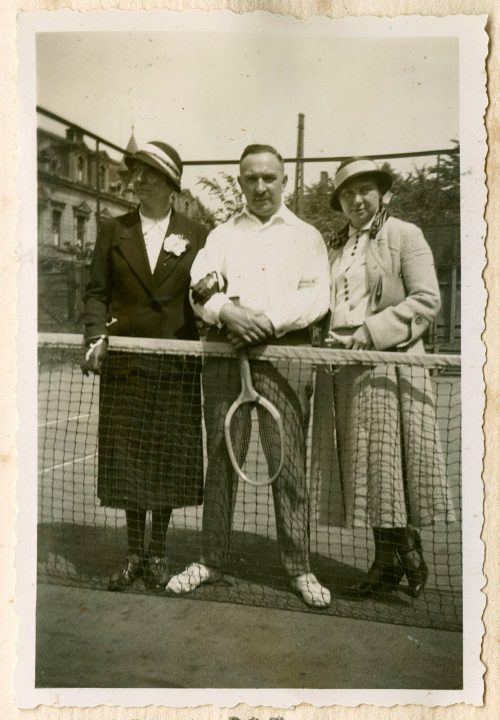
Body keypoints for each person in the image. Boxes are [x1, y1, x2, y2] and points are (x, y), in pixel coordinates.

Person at [166, 144, 331, 608]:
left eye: (269, 178)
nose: (260, 186)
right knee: (221, 464)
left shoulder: (308, 237)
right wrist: (226, 313)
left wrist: (263, 324)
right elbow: (200, 286)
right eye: (250, 178)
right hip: (225, 359)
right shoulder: (220, 237)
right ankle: (211, 560)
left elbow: (316, 299)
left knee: (289, 469)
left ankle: (299, 568)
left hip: (285, 359)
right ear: (240, 183)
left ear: (284, 181)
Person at [319, 156, 456, 597]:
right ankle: (390, 558)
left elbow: (426, 300)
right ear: (339, 201)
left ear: (383, 194)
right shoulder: (337, 245)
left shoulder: (404, 234)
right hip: (344, 370)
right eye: (347, 193)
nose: (356, 199)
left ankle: (401, 555)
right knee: (370, 471)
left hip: (388, 368)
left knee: (386, 465)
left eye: (365, 190)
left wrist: (371, 331)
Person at [82, 140, 208, 592]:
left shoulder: (198, 233)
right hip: (127, 367)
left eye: (148, 175)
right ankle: (134, 553)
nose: (138, 181)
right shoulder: (112, 230)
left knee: (167, 460)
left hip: (176, 366)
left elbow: (209, 296)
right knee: (130, 460)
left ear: (170, 183)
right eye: (135, 174)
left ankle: (158, 552)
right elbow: (96, 292)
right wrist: (96, 337)